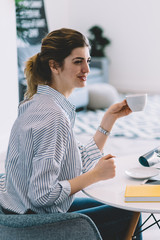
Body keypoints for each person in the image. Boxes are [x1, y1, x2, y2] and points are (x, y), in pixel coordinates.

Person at [0, 28, 141, 240]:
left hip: (15, 213)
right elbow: (42, 194)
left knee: (116, 203)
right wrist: (95, 176)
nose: (87, 69)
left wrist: (109, 120)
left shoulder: (37, 102)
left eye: (88, 60)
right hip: (34, 222)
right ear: (54, 65)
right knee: (130, 211)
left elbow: (71, 165)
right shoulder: (53, 117)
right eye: (77, 61)